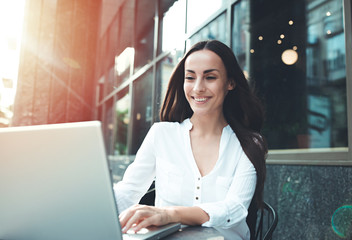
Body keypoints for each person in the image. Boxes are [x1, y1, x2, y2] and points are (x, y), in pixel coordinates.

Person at [114, 39, 267, 240]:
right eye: (190, 77)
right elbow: (128, 191)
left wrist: (169, 214)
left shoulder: (248, 144)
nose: (197, 88)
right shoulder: (161, 134)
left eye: (210, 77)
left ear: (230, 82)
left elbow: (235, 209)